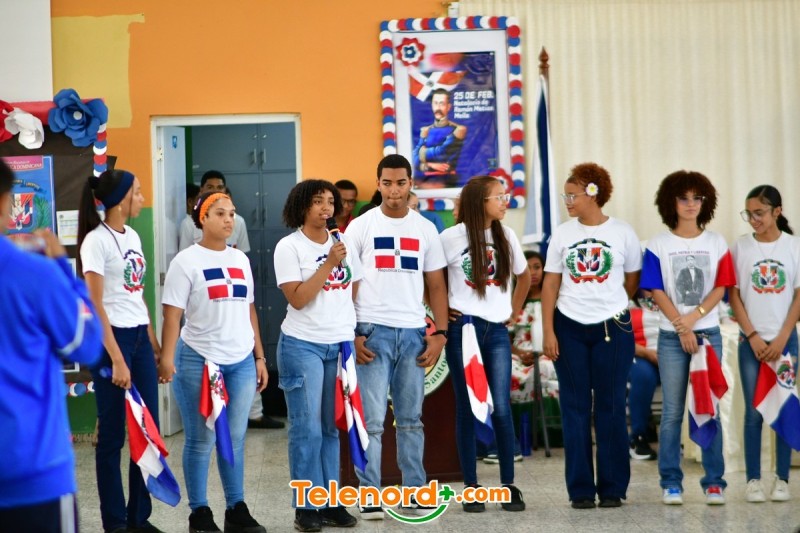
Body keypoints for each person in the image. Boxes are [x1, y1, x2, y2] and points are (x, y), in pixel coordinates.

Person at [0, 160, 102, 533]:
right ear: (6, 202)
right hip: (33, 473)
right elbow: (87, 345)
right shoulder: (35, 273)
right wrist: (62, 267)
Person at [346, 154, 449, 519]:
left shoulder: (425, 228)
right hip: (371, 331)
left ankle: (415, 492)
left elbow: (436, 285)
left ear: (410, 184)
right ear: (378, 184)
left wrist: (440, 333)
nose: (394, 190)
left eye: (401, 183)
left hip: (413, 333)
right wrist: (351, 334)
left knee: (411, 420)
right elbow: (348, 285)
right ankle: (370, 493)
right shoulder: (360, 227)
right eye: (387, 183)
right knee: (372, 421)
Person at [159, 191, 268, 533]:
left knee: (234, 438)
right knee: (200, 439)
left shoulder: (240, 260)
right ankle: (200, 513)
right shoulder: (186, 261)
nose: (229, 219)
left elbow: (249, 309)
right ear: (202, 218)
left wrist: (259, 355)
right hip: (199, 359)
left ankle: (236, 509)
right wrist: (166, 358)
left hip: (241, 361)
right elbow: (172, 315)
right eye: (220, 213)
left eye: (232, 213)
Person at [541, 163, 641, 509]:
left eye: (573, 195)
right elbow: (550, 284)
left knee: (611, 407)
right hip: (568, 327)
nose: (567, 201)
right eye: (565, 195)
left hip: (613, 328)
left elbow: (632, 280)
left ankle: (612, 488)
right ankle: (581, 489)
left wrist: (609, 303)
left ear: (594, 194)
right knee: (575, 408)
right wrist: (549, 330)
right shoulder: (562, 234)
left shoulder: (623, 232)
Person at [640, 170, 736, 506]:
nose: (691, 204)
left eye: (697, 198)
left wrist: (693, 320)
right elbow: (656, 290)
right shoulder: (657, 244)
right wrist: (682, 328)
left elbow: (721, 286)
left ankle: (714, 482)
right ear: (671, 202)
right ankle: (670, 482)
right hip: (671, 338)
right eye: (684, 198)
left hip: (708, 335)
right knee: (672, 412)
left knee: (710, 408)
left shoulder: (717, 242)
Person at [77, 169, 166, 533]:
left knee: (147, 430)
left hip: (139, 338)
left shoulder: (133, 236)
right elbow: (95, 305)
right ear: (121, 199)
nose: (142, 198)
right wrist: (116, 358)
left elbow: (136, 294)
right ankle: (114, 522)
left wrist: (153, 341)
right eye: (138, 192)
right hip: (112, 341)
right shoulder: (95, 242)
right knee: (112, 436)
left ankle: (138, 518)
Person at [273, 179, 362, 531]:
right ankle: (306, 506)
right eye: (318, 202)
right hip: (302, 344)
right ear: (302, 206)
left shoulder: (342, 242)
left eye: (330, 202)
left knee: (329, 428)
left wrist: (349, 329)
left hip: (337, 345)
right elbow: (297, 298)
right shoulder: (289, 247)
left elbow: (352, 286)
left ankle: (331, 502)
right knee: (306, 429)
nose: (326, 208)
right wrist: (327, 264)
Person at [441, 176, 530, 512]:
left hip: (496, 332)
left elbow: (524, 276)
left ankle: (508, 485)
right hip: (462, 330)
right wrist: (440, 310)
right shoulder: (450, 237)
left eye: (505, 196)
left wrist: (513, 311)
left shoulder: (506, 235)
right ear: (481, 202)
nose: (505, 202)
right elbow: (430, 278)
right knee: (466, 408)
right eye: (499, 197)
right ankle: (471, 487)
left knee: (502, 407)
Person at [729, 185, 800, 503]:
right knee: (754, 411)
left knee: (783, 407)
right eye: (749, 214)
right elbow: (734, 295)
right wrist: (752, 336)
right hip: (751, 343)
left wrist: (783, 336)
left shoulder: (794, 247)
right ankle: (753, 480)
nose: (753, 219)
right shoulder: (740, 247)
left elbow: (798, 295)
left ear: (777, 211)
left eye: (759, 213)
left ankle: (782, 479)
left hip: (786, 341)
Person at [178, 171, 250, 254]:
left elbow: (242, 255)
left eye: (220, 187)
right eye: (210, 187)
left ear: (224, 190)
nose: (215, 191)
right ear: (201, 190)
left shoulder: (238, 221)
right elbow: (185, 256)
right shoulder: (188, 223)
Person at [628, 290, 661, 461]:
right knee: (644, 376)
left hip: (670, 353)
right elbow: (617, 337)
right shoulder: (625, 301)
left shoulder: (671, 297)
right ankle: (637, 438)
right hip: (637, 353)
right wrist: (648, 354)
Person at [412, 88, 466, 189]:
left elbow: (441, 153)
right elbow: (413, 159)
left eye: (442, 104)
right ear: (432, 105)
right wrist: (430, 165)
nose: (438, 107)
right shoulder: (426, 130)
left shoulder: (458, 129)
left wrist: (422, 154)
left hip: (448, 183)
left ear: (448, 107)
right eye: (435, 103)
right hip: (425, 184)